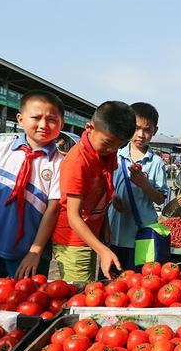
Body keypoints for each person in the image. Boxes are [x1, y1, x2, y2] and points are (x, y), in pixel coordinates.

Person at [0, 91, 64, 279]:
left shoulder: (60, 163)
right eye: (36, 117)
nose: (43, 125)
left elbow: (53, 210)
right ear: (20, 119)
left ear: (62, 124)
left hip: (29, 256)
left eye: (52, 119)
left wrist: (35, 252)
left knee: (27, 304)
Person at [53, 101, 135, 281]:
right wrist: (101, 249)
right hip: (73, 239)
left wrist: (105, 223)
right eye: (107, 143)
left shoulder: (106, 152)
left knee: (91, 286)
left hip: (92, 235)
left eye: (118, 146)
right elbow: (73, 216)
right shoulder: (78, 162)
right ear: (89, 127)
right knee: (80, 293)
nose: (112, 150)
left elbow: (102, 191)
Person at [108, 102, 168, 272]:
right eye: (136, 128)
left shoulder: (156, 162)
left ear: (154, 131)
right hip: (115, 232)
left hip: (141, 236)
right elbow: (105, 186)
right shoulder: (116, 155)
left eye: (147, 130)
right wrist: (112, 197)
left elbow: (160, 199)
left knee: (138, 281)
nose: (141, 135)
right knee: (112, 280)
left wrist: (144, 185)